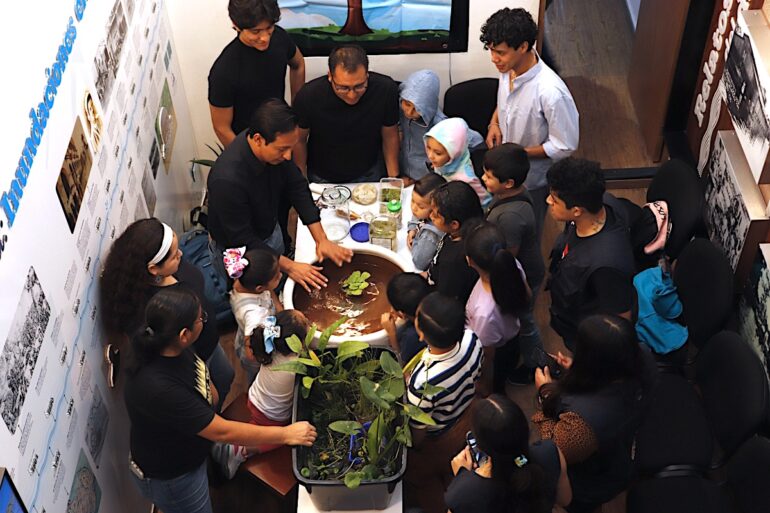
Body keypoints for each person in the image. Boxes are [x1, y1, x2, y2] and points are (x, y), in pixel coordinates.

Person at [124, 287, 316, 513]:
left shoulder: (171, 345)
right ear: (184, 333)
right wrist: (286, 434)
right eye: (200, 318)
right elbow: (221, 431)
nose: (205, 320)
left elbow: (199, 375)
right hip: (175, 475)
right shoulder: (159, 387)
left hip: (193, 446)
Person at [207, 99, 352, 293]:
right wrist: (291, 267)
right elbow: (242, 239)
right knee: (250, 298)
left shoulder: (273, 149)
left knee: (278, 287)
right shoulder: (227, 181)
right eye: (282, 149)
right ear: (258, 139)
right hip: (239, 249)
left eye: (291, 147)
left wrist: (321, 240)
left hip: (268, 229)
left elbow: (297, 186)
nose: (288, 156)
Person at [99, 218, 234, 407]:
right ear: (154, 269)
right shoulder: (152, 310)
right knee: (211, 402)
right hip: (196, 364)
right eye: (174, 255)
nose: (180, 254)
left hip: (209, 342)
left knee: (227, 376)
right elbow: (174, 353)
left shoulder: (171, 267)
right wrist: (202, 378)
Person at [533, 314, 657, 513]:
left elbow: (554, 450)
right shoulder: (644, 357)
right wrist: (578, 369)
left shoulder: (581, 426)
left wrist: (545, 394)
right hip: (623, 451)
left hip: (591, 481)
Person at [481, 7, 579, 234]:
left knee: (525, 231)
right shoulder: (507, 68)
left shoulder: (551, 92)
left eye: (500, 52)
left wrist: (519, 153)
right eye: (491, 50)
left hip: (531, 180)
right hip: (504, 171)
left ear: (524, 47)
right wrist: (494, 123)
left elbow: (564, 145)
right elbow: (506, 102)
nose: (494, 58)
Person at [404, 292, 483, 513]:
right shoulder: (472, 340)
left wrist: (417, 449)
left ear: (421, 335)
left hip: (440, 433)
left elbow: (418, 431)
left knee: (418, 473)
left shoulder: (422, 380)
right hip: (468, 410)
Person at [546, 158, 636, 351]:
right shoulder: (601, 204)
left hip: (582, 333)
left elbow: (619, 324)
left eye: (554, 200)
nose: (548, 201)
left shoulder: (607, 267)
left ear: (577, 210)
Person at [212, 309, 311, 478]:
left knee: (258, 426)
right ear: (298, 343)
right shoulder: (295, 364)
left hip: (255, 398)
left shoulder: (271, 347)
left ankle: (249, 431)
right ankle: (239, 451)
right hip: (271, 415)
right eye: (307, 323)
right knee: (276, 440)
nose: (311, 324)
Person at [482, 143, 545, 383]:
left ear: (508, 183)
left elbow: (507, 258)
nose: (483, 179)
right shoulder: (515, 194)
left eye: (489, 176)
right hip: (524, 270)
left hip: (524, 276)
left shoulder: (509, 217)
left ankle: (538, 366)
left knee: (527, 322)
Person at [445, 394, 571, 513]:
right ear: (524, 429)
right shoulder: (549, 452)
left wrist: (461, 479)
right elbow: (565, 499)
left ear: (481, 446)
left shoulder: (464, 493)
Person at [293, 44, 400, 182]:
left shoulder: (385, 90)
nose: (352, 95)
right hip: (322, 176)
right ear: (330, 76)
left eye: (359, 86)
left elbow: (390, 136)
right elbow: (299, 140)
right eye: (343, 88)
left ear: (367, 74)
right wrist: (301, 181)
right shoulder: (309, 96)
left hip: (369, 171)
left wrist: (394, 179)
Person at [208, 0, 305, 147]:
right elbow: (222, 128)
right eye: (256, 31)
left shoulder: (279, 37)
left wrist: (296, 110)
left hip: (283, 135)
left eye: (269, 28)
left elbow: (298, 64)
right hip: (251, 144)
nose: (265, 38)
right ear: (236, 25)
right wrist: (247, 159)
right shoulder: (224, 71)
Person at [464, 221, 530, 396]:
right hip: (511, 336)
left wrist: (484, 382)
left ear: (470, 261)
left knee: (497, 384)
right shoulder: (512, 265)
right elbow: (526, 295)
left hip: (498, 352)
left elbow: (488, 355)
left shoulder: (484, 313)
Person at [399, 69, 483, 181]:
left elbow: (476, 141)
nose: (409, 112)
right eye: (407, 104)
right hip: (403, 174)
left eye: (417, 109)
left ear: (428, 106)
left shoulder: (441, 125)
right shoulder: (398, 111)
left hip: (428, 181)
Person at [223, 247, 282, 382]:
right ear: (259, 288)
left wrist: (278, 307)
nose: (281, 276)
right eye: (276, 277)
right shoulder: (255, 315)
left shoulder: (240, 279)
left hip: (246, 331)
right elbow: (251, 351)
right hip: (257, 352)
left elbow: (268, 292)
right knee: (257, 377)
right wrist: (266, 357)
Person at [426, 181, 484, 304]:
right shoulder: (468, 228)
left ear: (454, 224)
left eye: (435, 216)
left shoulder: (453, 261)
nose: (430, 216)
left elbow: (445, 297)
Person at [425, 118, 491, 207]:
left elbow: (485, 203)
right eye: (428, 148)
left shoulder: (466, 179)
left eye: (438, 153)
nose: (430, 156)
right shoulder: (443, 163)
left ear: (454, 152)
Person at [380, 272, 431, 364]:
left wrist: (392, 334)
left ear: (401, 314)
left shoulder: (411, 336)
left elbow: (402, 364)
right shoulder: (437, 300)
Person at [407, 173, 447, 271]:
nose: (414, 208)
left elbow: (419, 262)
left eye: (421, 206)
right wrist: (412, 228)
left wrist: (414, 242)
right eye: (412, 200)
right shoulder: (423, 212)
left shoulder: (430, 235)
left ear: (435, 208)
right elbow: (417, 215)